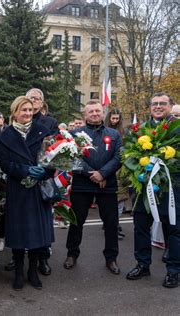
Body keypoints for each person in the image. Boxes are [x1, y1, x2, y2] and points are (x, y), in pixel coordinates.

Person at [0, 96, 54, 290]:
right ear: (15, 112)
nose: (28, 114)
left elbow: (53, 158)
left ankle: (33, 270)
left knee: (37, 233)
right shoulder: (6, 135)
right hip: (18, 188)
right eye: (24, 110)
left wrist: (44, 172)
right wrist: (25, 170)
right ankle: (18, 272)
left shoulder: (43, 131)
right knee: (18, 232)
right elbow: (4, 163)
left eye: (30, 110)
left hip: (38, 190)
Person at [126, 92, 180, 288]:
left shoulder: (178, 128)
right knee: (140, 227)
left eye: (162, 103)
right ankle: (142, 264)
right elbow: (128, 153)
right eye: (154, 104)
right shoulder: (141, 129)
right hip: (144, 188)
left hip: (171, 189)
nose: (158, 106)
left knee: (174, 229)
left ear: (170, 105)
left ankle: (174, 270)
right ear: (149, 107)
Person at [63, 101, 122, 275]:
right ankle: (72, 254)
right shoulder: (74, 134)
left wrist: (103, 173)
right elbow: (72, 158)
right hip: (82, 185)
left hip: (107, 185)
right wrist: (92, 174)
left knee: (111, 224)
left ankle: (111, 258)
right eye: (91, 111)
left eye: (97, 110)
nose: (95, 114)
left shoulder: (114, 134)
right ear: (85, 115)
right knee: (76, 222)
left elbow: (118, 157)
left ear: (103, 113)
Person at [105, 108, 129, 240]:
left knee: (120, 199)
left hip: (121, 169)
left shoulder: (123, 133)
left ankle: (115, 225)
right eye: (112, 118)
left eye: (117, 118)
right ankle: (111, 224)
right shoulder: (104, 130)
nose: (115, 121)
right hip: (109, 169)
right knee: (110, 201)